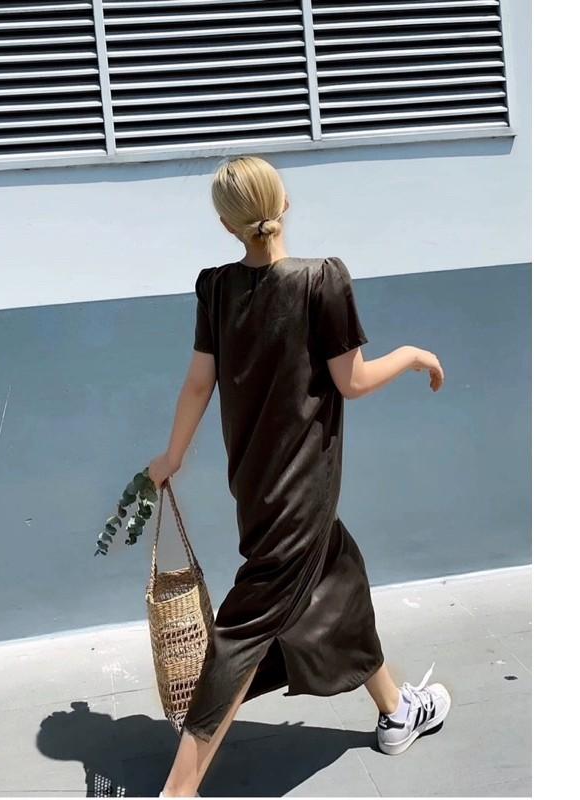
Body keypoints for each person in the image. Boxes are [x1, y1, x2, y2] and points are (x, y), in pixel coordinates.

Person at [148, 155, 450, 798]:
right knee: (243, 631)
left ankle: (397, 710)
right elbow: (353, 381)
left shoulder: (216, 288)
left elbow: (198, 383)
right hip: (303, 489)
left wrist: (171, 457)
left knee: (340, 576)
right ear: (285, 203)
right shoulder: (322, 280)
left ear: (228, 227)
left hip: (256, 483)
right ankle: (178, 790)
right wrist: (412, 354)